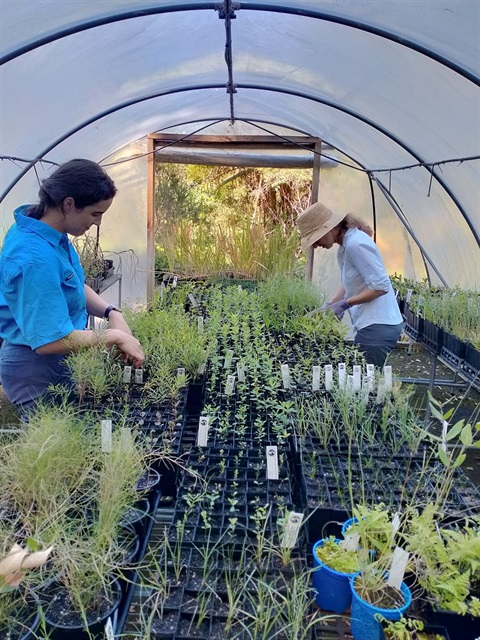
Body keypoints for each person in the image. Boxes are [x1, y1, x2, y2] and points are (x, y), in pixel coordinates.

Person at [0, 158, 145, 412]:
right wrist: (113, 336)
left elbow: (75, 285)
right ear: (69, 204)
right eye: (95, 213)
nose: (97, 222)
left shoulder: (50, 233)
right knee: (54, 445)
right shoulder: (34, 258)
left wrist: (112, 313)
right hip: (35, 366)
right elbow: (49, 341)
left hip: (57, 356)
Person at [296, 202, 403, 367]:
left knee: (368, 383)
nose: (316, 245)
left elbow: (381, 286)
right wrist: (330, 304)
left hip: (378, 326)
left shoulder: (356, 245)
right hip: (371, 325)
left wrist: (345, 304)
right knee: (366, 380)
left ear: (329, 228)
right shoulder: (345, 247)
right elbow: (351, 283)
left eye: (316, 239)